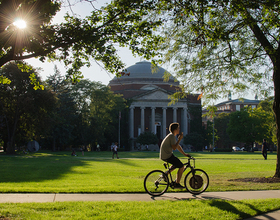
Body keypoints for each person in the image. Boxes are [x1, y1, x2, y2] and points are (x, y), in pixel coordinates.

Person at [160, 122, 191, 188]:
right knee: (181, 166)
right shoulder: (171, 136)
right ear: (175, 130)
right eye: (178, 128)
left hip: (166, 155)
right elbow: (174, 148)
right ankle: (177, 184)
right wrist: (179, 140)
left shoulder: (171, 136)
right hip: (167, 155)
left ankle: (165, 174)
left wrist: (184, 154)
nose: (179, 130)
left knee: (176, 164)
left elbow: (177, 146)